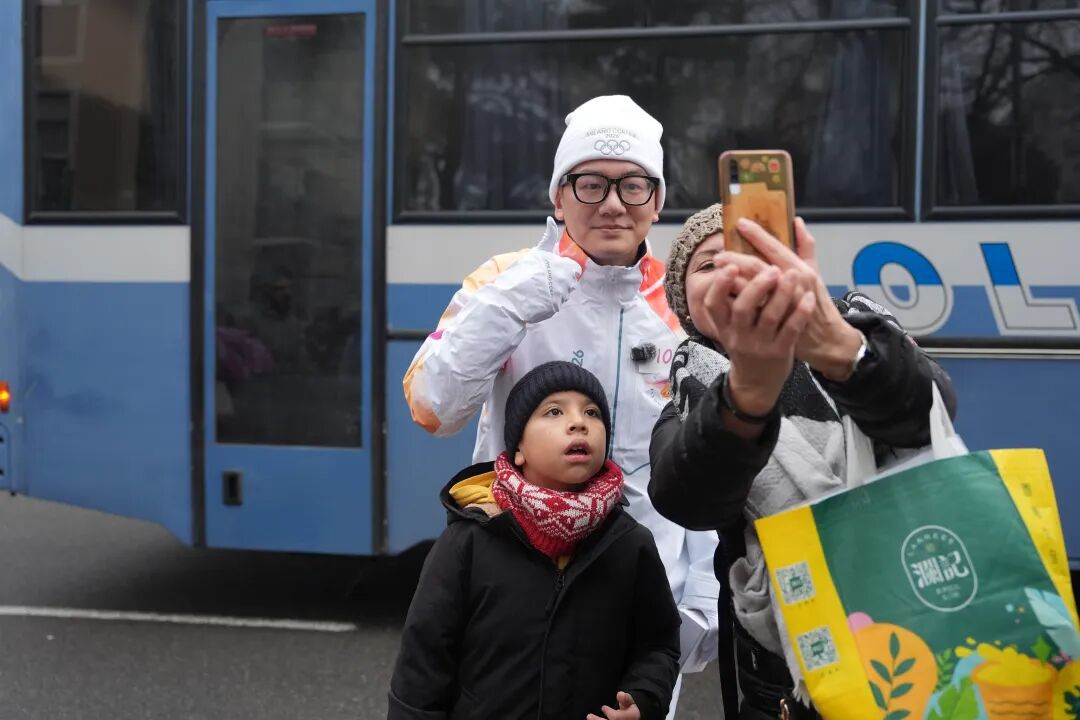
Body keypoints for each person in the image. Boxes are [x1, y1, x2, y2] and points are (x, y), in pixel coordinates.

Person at [403, 95, 721, 712]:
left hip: (642, 587)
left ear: (656, 201)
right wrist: (509, 304)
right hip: (514, 578)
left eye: (633, 185)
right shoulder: (506, 279)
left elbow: (703, 460)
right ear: (558, 196)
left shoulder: (684, 302)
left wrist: (704, 588)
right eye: (589, 183)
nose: (612, 204)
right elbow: (433, 407)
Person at [648, 205, 958, 720]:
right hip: (784, 686)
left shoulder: (852, 326)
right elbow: (686, 499)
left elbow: (931, 411)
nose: (730, 272)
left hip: (927, 618)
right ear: (685, 306)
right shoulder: (689, 400)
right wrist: (745, 396)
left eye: (745, 254)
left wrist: (839, 349)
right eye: (707, 265)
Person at [389, 361, 681, 719]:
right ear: (519, 449)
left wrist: (643, 699)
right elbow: (422, 668)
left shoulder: (629, 543)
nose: (578, 422)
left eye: (592, 412)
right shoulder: (469, 541)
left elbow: (658, 646)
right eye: (554, 411)